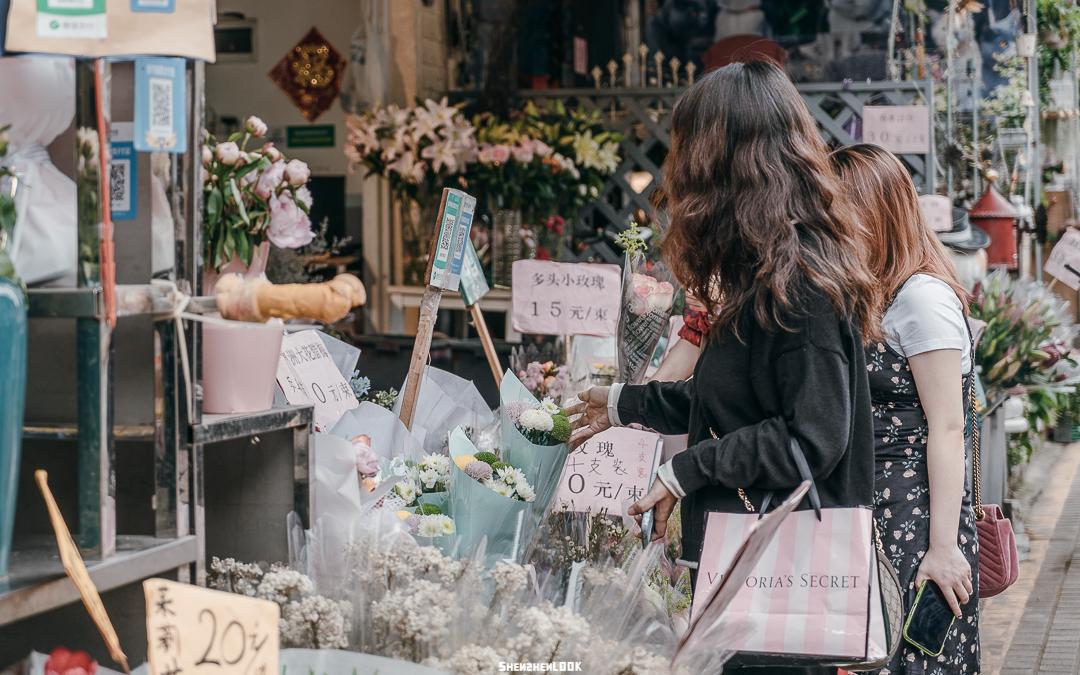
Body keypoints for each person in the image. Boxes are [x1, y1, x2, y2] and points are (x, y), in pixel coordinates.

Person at [567, 60, 879, 674]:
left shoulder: (803, 285)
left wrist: (687, 470)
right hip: (746, 565)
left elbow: (812, 438)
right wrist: (623, 403)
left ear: (722, 163)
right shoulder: (764, 271)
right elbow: (731, 404)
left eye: (685, 153)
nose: (674, 173)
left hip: (781, 576)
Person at [831, 144, 980, 674]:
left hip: (916, 521)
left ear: (874, 214)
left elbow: (946, 426)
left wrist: (941, 547)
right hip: (883, 512)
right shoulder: (880, 293)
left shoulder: (921, 298)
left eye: (838, 211)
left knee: (915, 658)